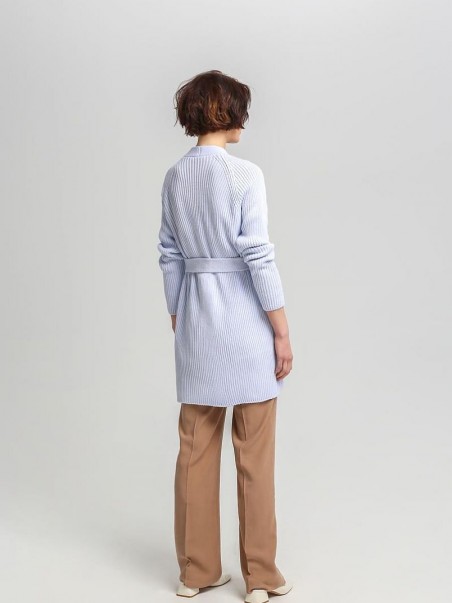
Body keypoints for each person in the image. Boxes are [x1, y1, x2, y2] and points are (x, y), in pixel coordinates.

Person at [157, 69, 294, 603]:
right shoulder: (245, 175)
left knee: (194, 448)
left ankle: (195, 573)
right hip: (246, 322)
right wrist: (281, 330)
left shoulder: (175, 177)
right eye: (242, 111)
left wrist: (179, 312)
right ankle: (260, 577)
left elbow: (169, 254)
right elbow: (258, 254)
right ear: (227, 113)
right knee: (254, 455)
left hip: (197, 319)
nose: (245, 121)